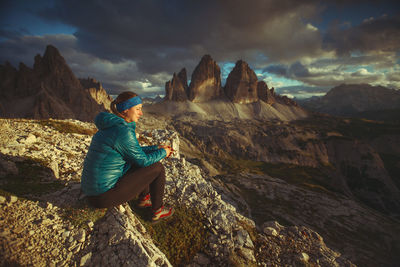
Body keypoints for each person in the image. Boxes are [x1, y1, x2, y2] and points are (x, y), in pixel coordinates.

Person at [81, 91, 174, 223]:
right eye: (138, 109)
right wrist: (164, 153)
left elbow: (133, 152)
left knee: (135, 161)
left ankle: (144, 199)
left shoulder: (113, 126)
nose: (141, 113)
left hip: (93, 191)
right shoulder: (123, 132)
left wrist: (156, 148)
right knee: (157, 167)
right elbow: (142, 161)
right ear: (125, 110)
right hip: (102, 196)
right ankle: (157, 210)